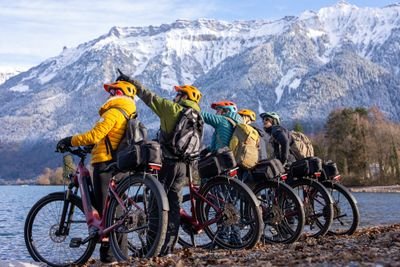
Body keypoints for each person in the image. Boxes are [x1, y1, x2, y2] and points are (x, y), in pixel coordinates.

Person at [116, 71, 202, 256]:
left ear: (183, 97)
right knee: (173, 206)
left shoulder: (172, 109)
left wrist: (129, 80)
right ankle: (168, 248)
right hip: (185, 167)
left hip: (168, 163)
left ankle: (151, 247)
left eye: (178, 94)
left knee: (156, 204)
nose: (175, 96)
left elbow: (148, 96)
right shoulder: (197, 117)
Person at [56, 80, 136, 263]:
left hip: (106, 165)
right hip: (118, 165)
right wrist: (92, 146)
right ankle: (117, 255)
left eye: (112, 91)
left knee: (107, 213)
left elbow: (94, 135)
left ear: (118, 93)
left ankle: (110, 257)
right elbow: (108, 137)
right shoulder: (127, 112)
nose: (108, 95)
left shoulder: (113, 111)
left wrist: (69, 140)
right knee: (114, 213)